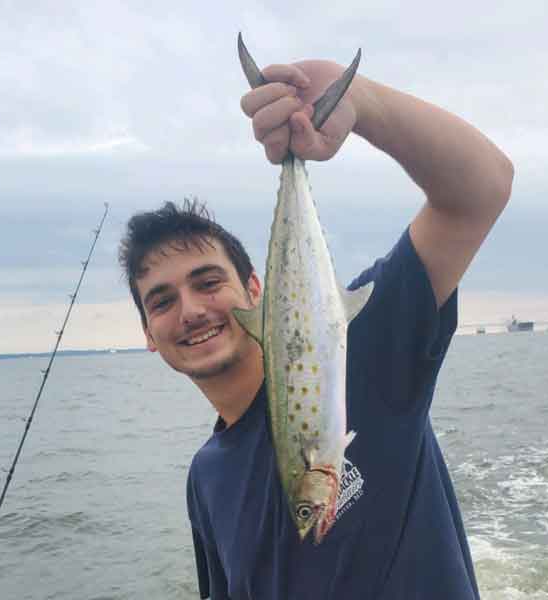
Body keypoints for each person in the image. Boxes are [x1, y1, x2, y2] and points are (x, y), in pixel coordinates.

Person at [118, 55, 513, 599]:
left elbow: (482, 189)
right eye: (161, 301)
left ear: (255, 292)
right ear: (147, 331)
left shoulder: (364, 351)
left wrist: (363, 103)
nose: (190, 311)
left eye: (208, 281)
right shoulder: (205, 478)